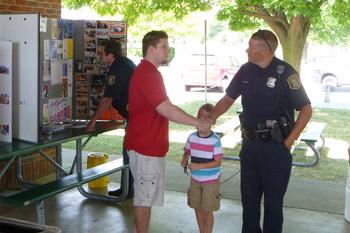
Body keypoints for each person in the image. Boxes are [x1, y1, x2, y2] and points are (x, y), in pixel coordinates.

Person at [210, 29, 312, 233]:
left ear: (265, 51)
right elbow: (228, 99)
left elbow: (306, 109)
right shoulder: (246, 70)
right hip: (250, 147)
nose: (247, 50)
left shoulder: (286, 72)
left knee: (273, 206)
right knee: (249, 203)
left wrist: (288, 143)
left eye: (251, 46)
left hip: (276, 149)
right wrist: (210, 117)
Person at [124, 30, 211, 233]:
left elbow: (165, 105)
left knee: (143, 197)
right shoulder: (148, 73)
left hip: (146, 147)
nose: (168, 50)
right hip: (145, 148)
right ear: (151, 49)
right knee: (144, 198)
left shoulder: (148, 72)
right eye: (164, 46)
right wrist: (198, 122)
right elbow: (166, 108)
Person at [86, 39, 135, 198]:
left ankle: (127, 190)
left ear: (111, 54)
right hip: (135, 117)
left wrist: (92, 121)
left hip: (136, 119)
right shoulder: (123, 63)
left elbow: (107, 99)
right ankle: (128, 189)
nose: (99, 56)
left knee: (129, 154)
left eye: (101, 53)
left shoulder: (117, 69)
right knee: (130, 154)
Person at [181, 103, 223, 233]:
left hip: (211, 181)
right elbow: (187, 151)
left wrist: (199, 166)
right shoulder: (192, 137)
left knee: (207, 210)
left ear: (212, 122)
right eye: (200, 118)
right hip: (195, 180)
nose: (202, 122)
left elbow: (217, 162)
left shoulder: (215, 140)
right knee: (197, 208)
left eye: (206, 119)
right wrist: (185, 159)